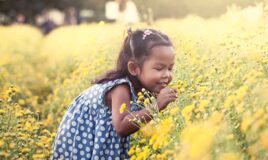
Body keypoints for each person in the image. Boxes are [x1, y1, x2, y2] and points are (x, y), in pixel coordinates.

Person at [51, 28, 177, 159]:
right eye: (159, 68)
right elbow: (121, 127)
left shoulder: (141, 87)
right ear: (134, 68)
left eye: (170, 68)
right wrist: (156, 106)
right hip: (83, 141)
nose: (167, 75)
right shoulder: (120, 88)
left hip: (99, 139)